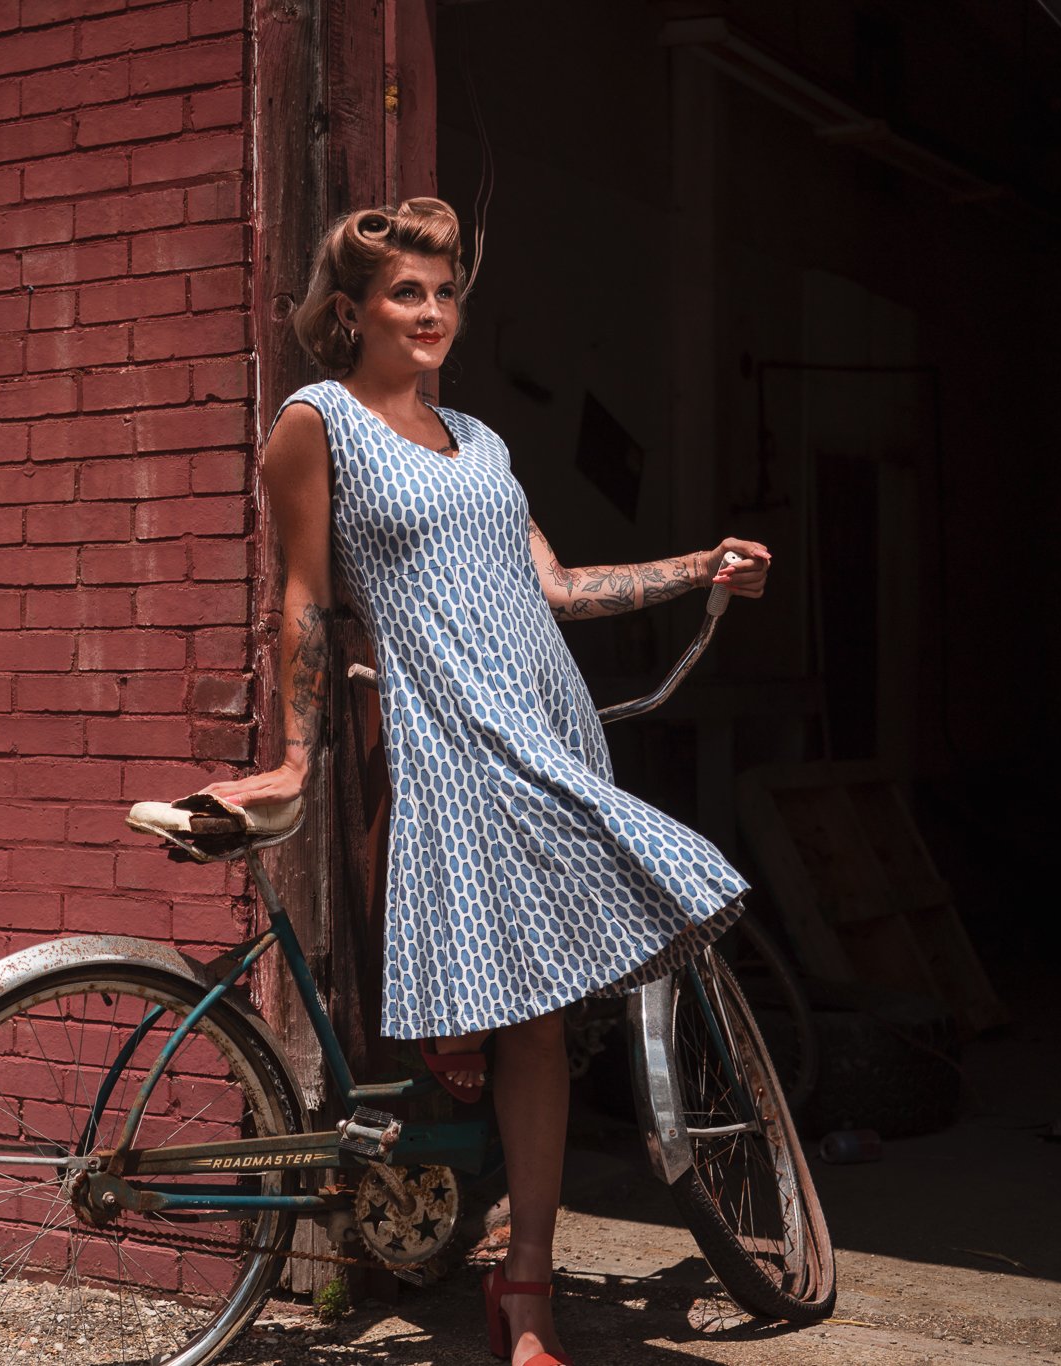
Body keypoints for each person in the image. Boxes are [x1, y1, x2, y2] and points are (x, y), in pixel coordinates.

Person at [199, 198, 770, 1366]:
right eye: (404, 292)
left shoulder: (482, 442)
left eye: (443, 290)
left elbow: (554, 588)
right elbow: (304, 599)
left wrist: (693, 566)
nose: (429, 311)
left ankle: (526, 1288)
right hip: (453, 736)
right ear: (349, 312)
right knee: (502, 1008)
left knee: (542, 1030)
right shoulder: (314, 425)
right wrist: (301, 754)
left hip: (548, 725)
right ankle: (449, 1110)